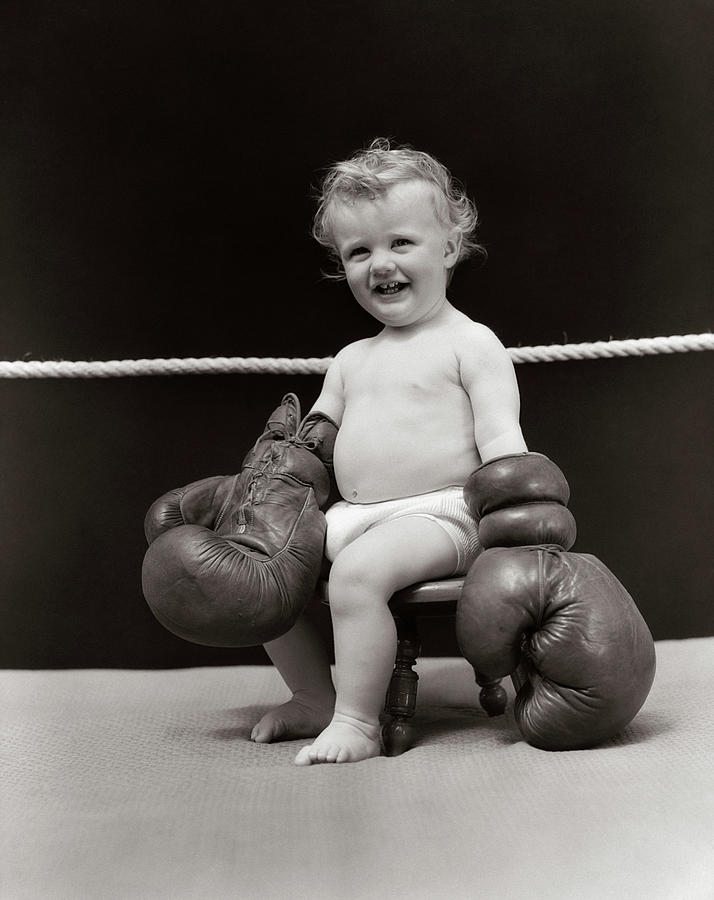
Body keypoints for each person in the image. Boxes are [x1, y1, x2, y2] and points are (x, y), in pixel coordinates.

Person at [250, 138, 528, 764]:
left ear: (450, 247)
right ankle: (313, 697)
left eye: (401, 242)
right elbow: (313, 443)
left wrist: (516, 511)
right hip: (355, 514)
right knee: (264, 564)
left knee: (358, 573)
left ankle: (356, 720)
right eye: (359, 250)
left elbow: (502, 439)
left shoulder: (472, 344)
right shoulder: (351, 360)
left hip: (445, 515)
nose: (381, 263)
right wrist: (272, 477)